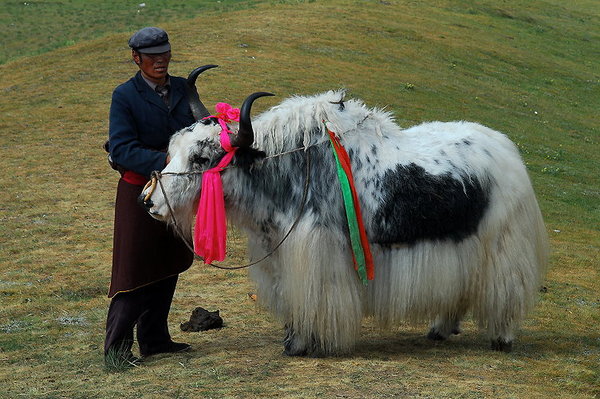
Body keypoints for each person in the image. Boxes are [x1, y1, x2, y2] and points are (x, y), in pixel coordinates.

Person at [104, 27, 198, 367]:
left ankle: (155, 340)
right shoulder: (124, 95)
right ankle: (115, 350)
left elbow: (195, 130)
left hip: (176, 193)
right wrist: (169, 160)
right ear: (136, 58)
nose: (160, 61)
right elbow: (122, 149)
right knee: (133, 271)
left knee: (167, 263)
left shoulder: (183, 89)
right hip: (139, 191)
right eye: (152, 56)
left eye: (165, 53)